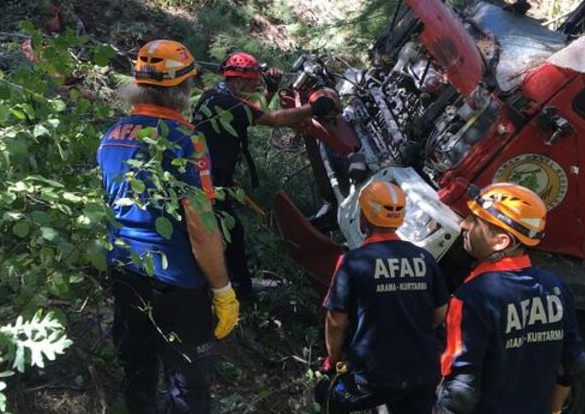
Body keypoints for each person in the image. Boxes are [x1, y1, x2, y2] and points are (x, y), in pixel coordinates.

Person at [98, 39, 240, 414]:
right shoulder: (186, 140)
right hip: (176, 281)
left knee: (137, 372)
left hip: (125, 270)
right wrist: (223, 289)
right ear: (182, 89)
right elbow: (202, 227)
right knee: (188, 385)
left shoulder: (111, 135)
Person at [437, 183, 585, 414]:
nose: (463, 224)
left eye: (475, 221)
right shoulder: (555, 287)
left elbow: (460, 394)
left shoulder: (472, 297)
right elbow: (575, 364)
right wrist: (555, 411)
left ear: (501, 241)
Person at [191, 51, 326, 301]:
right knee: (229, 234)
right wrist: (314, 108)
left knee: (227, 233)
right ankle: (239, 291)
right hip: (208, 182)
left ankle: (230, 285)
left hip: (208, 176)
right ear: (240, 79)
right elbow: (273, 119)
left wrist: (271, 90)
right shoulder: (227, 102)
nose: (256, 85)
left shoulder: (216, 95)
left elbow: (251, 113)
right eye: (254, 81)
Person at [316, 180, 449, 414]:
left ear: (363, 217)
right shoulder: (424, 258)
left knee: (325, 394)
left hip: (373, 376)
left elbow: (336, 321)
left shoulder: (353, 262)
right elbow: (439, 312)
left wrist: (334, 360)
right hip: (422, 370)